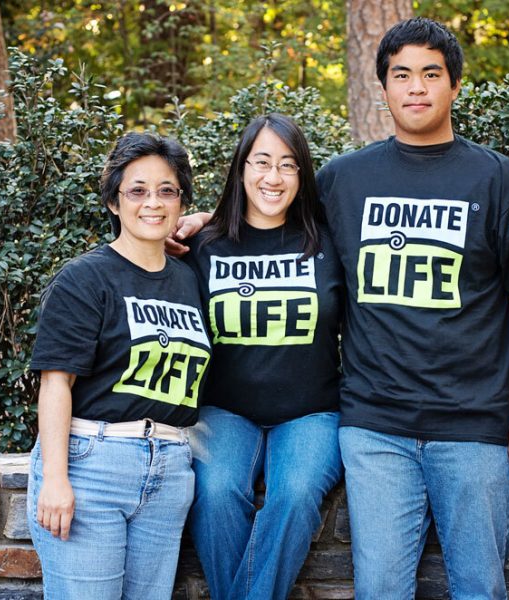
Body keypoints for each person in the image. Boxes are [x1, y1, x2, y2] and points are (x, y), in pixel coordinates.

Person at [312, 17, 509, 599]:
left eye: (431, 74)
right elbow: (268, 223)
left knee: (480, 587)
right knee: (380, 589)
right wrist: (201, 225)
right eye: (401, 75)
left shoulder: (495, 177)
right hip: (375, 426)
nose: (416, 88)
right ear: (383, 89)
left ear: (454, 85)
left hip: (474, 425)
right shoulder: (343, 180)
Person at [27, 132, 211, 600]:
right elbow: (55, 385)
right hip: (92, 466)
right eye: (138, 191)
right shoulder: (85, 278)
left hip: (170, 469)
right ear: (114, 202)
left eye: (167, 191)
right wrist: (55, 479)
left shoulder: (189, 280)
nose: (153, 203)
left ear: (181, 201)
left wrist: (209, 221)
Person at [183, 113, 344, 600]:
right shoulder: (202, 247)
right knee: (213, 495)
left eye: (288, 166)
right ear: (240, 168)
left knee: (294, 497)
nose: (273, 178)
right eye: (262, 162)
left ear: (302, 175)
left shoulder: (329, 242)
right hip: (224, 410)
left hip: (312, 411)